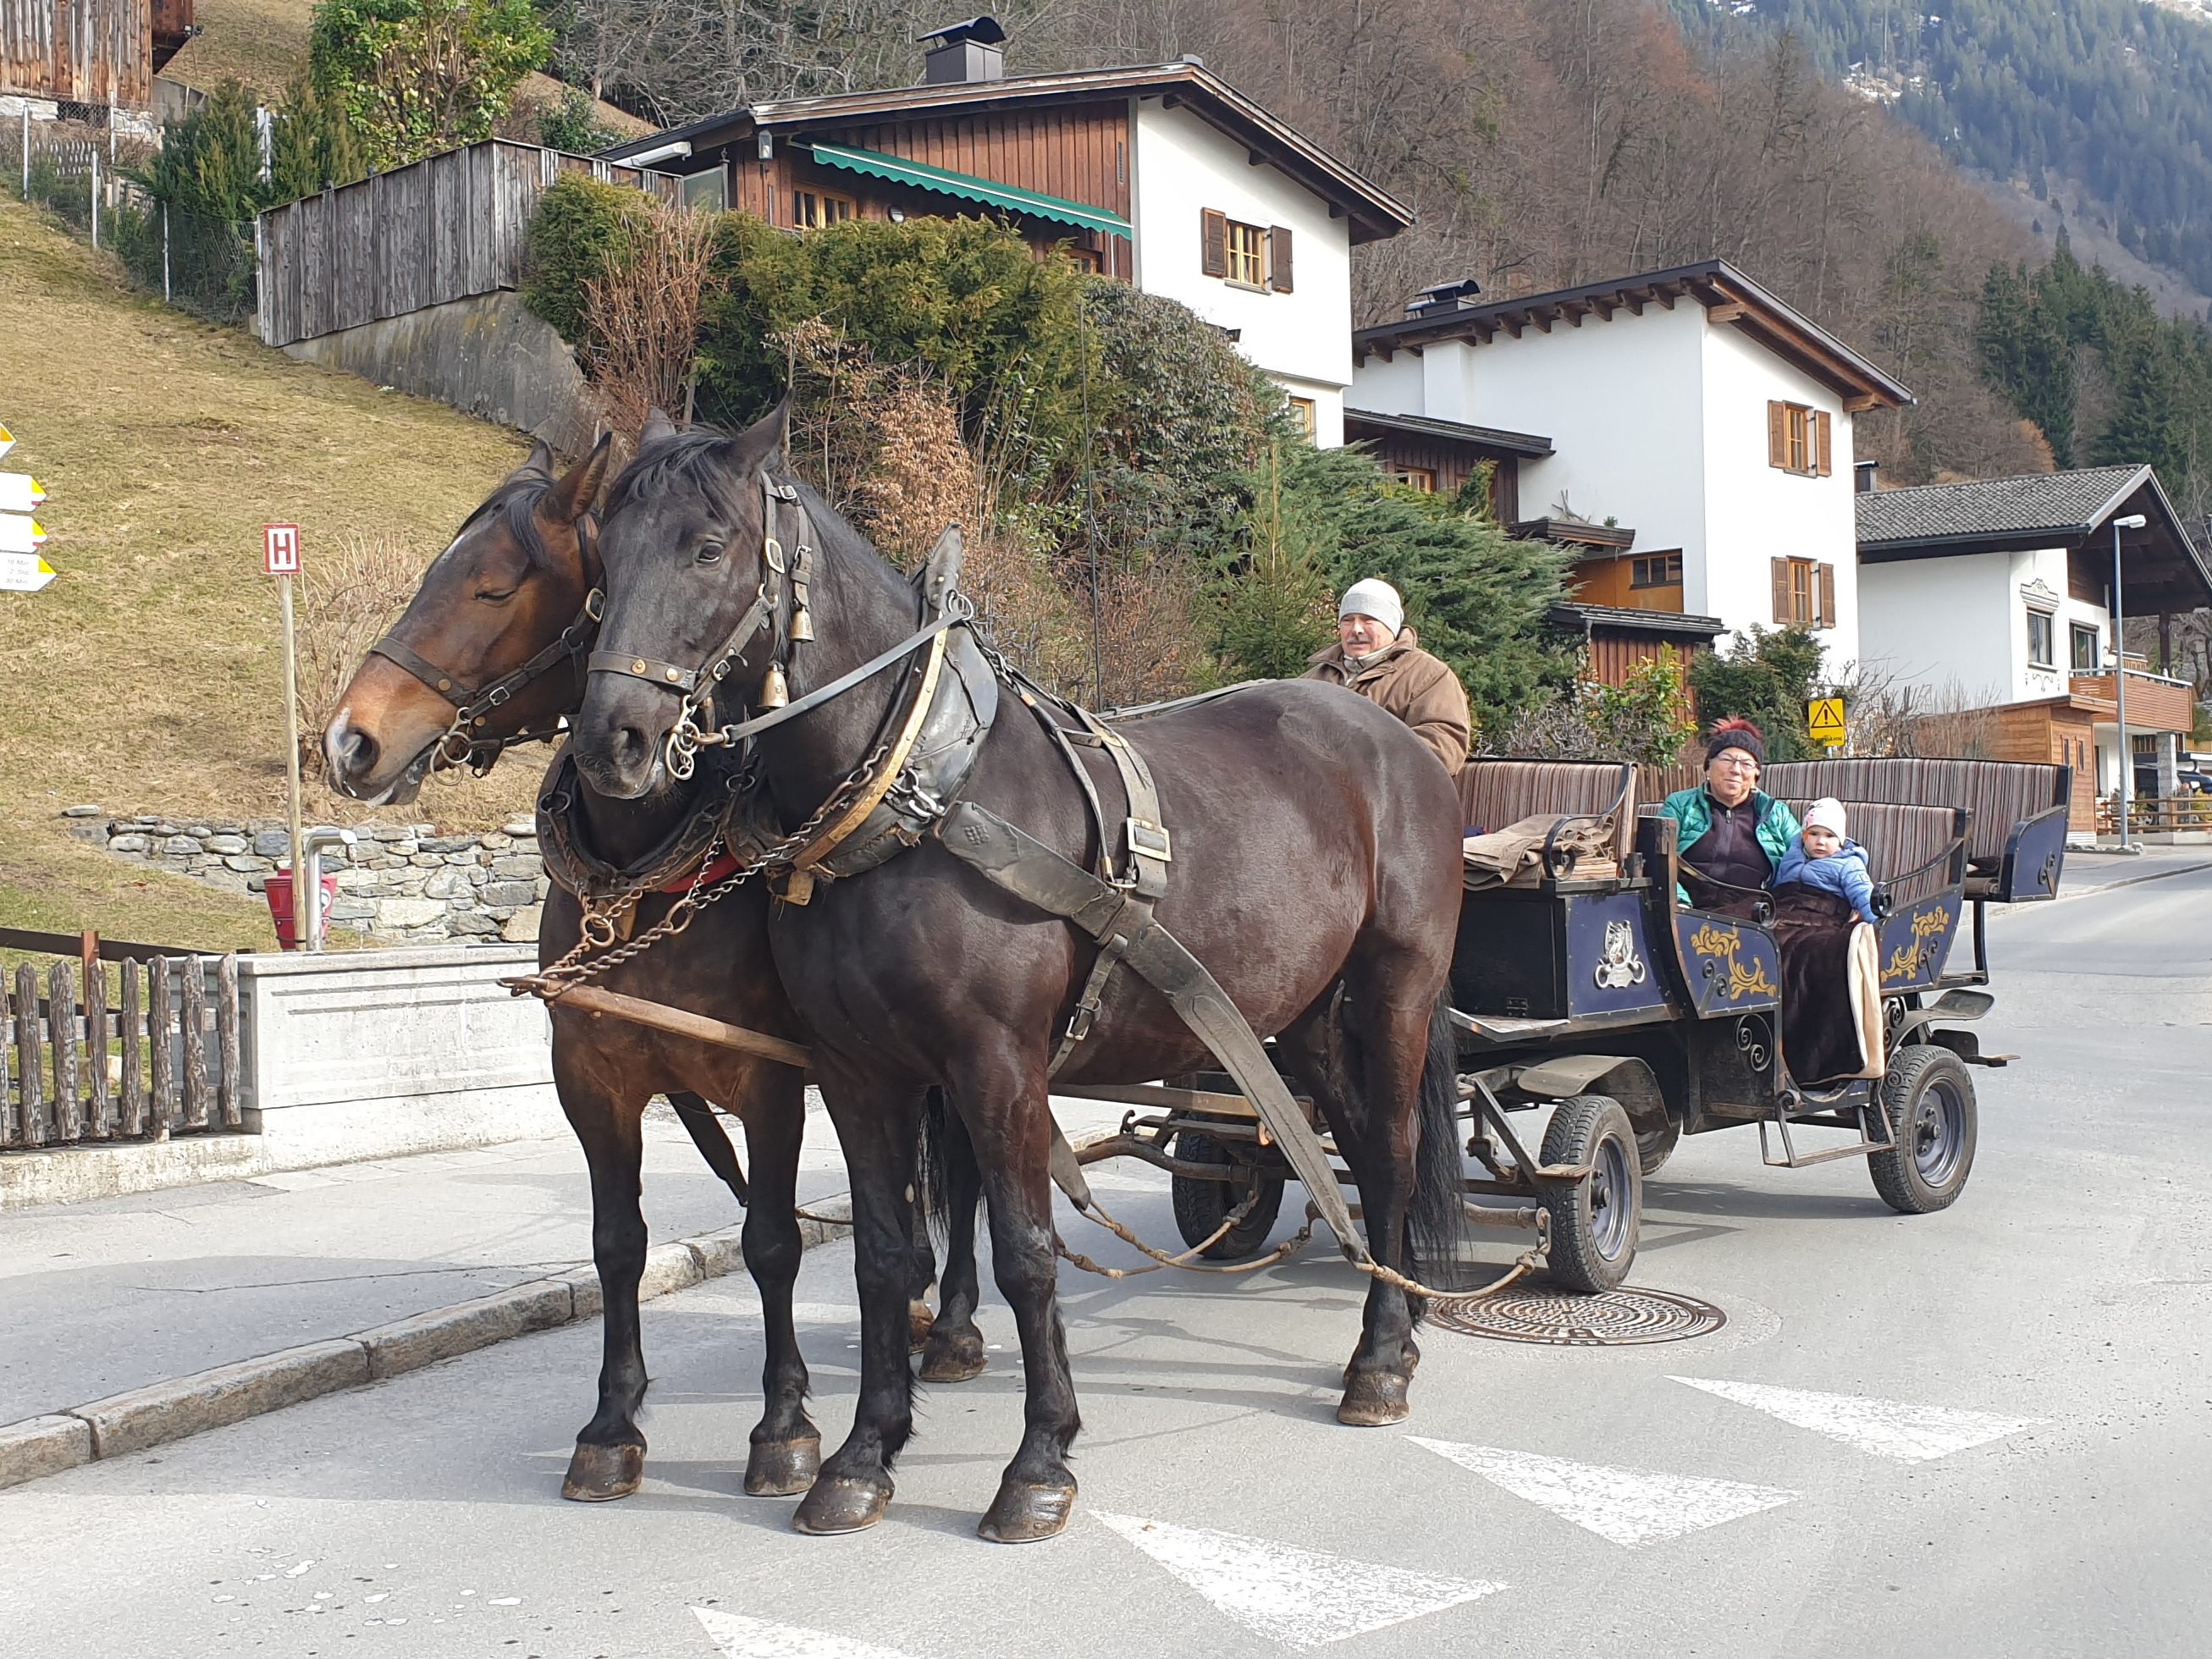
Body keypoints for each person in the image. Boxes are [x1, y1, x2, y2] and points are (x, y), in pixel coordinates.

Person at [1303, 577, 1471, 773]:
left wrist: (1363, 757)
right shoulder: (1312, 679)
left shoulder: (1430, 676)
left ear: (1391, 625)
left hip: (1390, 799)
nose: (1356, 630)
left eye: (1368, 620)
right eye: (1347, 621)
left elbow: (1445, 745)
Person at [1659, 717, 1801, 914]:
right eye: (1727, 759)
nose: (1735, 770)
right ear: (1708, 768)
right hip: (1687, 907)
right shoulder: (1679, 805)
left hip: (1753, 910)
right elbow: (1657, 857)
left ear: (1755, 777)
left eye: (1746, 764)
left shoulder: (1776, 813)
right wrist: (1680, 901)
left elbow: (1808, 854)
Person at [1773, 797, 1878, 925]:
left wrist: (1878, 922)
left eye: (1829, 836)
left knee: (1816, 940)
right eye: (1813, 834)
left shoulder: (1848, 864)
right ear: (1804, 836)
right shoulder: (1793, 854)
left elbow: (1863, 894)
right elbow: (1778, 885)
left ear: (1840, 841)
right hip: (1785, 907)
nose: (1820, 842)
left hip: (1825, 915)